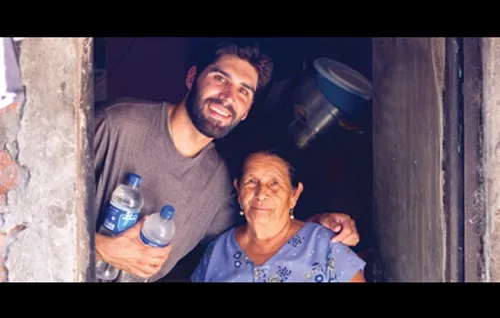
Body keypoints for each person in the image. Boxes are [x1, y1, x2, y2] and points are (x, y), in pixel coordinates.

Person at [93, 40, 361, 282]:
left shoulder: (219, 183)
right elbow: (49, 197)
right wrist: (101, 247)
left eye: (244, 91)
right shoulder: (117, 124)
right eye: (220, 78)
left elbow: (261, 227)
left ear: (246, 111)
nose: (229, 96)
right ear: (192, 78)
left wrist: (319, 224)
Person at [190, 149, 366, 282]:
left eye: (274, 183)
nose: (261, 194)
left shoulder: (326, 245)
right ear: (238, 190)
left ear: (294, 195)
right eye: (251, 182)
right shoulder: (217, 250)